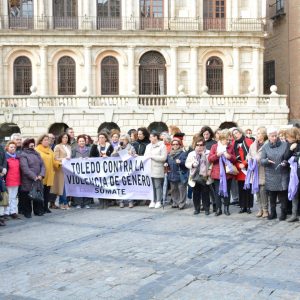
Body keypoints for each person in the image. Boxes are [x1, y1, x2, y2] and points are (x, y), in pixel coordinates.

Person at [261, 128, 289, 220]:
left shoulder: (285, 145)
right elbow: (262, 160)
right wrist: (266, 161)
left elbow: (288, 157)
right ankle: (273, 213)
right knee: (272, 196)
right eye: (272, 136)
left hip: (282, 173)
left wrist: (285, 162)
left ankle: (283, 213)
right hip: (271, 174)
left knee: (283, 196)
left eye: (276, 135)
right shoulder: (265, 147)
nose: (275, 137)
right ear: (268, 137)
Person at [208, 129, 236, 216]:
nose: (228, 141)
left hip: (228, 173)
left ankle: (226, 208)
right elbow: (210, 159)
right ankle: (218, 209)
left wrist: (229, 156)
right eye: (226, 139)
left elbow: (234, 159)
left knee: (226, 191)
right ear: (221, 138)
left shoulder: (230, 147)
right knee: (217, 192)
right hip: (217, 173)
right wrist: (217, 155)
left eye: (229, 139)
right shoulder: (214, 147)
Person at [19, 139, 45, 218]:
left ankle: (38, 211)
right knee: (27, 196)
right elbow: (25, 168)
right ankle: (27, 212)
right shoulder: (23, 154)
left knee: (37, 195)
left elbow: (43, 166)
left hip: (38, 179)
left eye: (33, 145)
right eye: (31, 145)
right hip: (28, 179)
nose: (32, 147)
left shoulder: (37, 154)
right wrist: (34, 177)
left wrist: (41, 175)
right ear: (26, 145)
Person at [246, 127, 269, 218]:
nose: (257, 135)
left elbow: (264, 157)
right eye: (257, 133)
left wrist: (256, 158)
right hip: (254, 171)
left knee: (263, 191)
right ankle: (260, 209)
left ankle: (265, 210)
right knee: (257, 191)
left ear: (263, 135)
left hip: (263, 170)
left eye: (259, 133)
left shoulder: (267, 145)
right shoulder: (253, 145)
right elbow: (249, 154)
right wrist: (248, 158)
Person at [35, 134, 59, 213]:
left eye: (48, 140)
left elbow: (54, 161)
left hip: (49, 175)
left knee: (46, 193)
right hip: (40, 175)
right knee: (40, 193)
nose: (47, 141)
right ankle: (40, 208)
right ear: (41, 141)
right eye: (45, 140)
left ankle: (45, 207)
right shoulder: (37, 150)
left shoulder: (50, 150)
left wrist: (61, 164)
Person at [186, 138, 210, 215]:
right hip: (194, 176)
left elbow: (211, 163)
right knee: (196, 194)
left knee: (205, 193)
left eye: (201, 145)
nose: (199, 147)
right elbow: (187, 163)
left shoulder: (208, 153)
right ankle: (197, 208)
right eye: (198, 145)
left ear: (204, 145)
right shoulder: (192, 153)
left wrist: (203, 156)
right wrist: (192, 165)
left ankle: (207, 209)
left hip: (204, 176)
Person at [232, 127, 254, 214]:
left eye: (237, 133)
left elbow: (252, 154)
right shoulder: (233, 144)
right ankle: (242, 206)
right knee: (241, 188)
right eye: (234, 134)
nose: (235, 135)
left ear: (241, 133)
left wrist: (244, 163)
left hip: (248, 168)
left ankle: (248, 206)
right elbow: (233, 157)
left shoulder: (249, 141)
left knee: (248, 188)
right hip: (239, 169)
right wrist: (238, 165)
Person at [112, 134, 135, 208]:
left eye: (124, 139)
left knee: (129, 185)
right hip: (120, 169)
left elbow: (134, 156)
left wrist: (130, 153)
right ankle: (121, 201)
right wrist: (117, 150)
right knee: (120, 185)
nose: (122, 141)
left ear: (127, 140)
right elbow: (112, 156)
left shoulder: (131, 147)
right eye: (121, 140)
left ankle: (130, 201)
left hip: (128, 169)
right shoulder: (117, 147)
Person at [145, 131, 167, 209]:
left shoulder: (162, 146)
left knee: (157, 185)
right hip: (149, 168)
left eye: (151, 136)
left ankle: (158, 201)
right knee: (151, 186)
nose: (150, 138)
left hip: (158, 168)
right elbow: (145, 156)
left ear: (155, 137)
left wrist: (152, 156)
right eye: (150, 137)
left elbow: (163, 158)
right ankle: (153, 200)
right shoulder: (148, 146)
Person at [165, 137, 188, 210]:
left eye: (177, 144)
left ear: (179, 145)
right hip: (172, 174)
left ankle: (182, 203)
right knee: (173, 190)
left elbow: (186, 163)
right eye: (173, 144)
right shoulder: (169, 154)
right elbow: (166, 161)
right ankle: (175, 202)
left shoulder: (183, 153)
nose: (175, 145)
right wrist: (166, 164)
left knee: (181, 189)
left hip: (180, 174)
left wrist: (181, 162)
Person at [52, 133, 71, 210]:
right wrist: (64, 158)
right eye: (63, 137)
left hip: (68, 168)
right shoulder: (57, 146)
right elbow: (55, 158)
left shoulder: (69, 146)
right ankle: (65, 203)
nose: (65, 139)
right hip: (60, 169)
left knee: (65, 186)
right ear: (60, 138)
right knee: (62, 187)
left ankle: (60, 203)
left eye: (66, 137)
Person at [71, 135, 92, 209]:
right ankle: (78, 203)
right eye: (80, 141)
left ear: (85, 142)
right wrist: (76, 159)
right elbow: (71, 159)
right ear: (78, 142)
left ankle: (86, 203)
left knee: (86, 187)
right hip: (77, 172)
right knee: (78, 187)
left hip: (87, 172)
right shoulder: (74, 149)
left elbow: (93, 158)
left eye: (83, 141)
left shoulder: (89, 149)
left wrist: (89, 159)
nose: (82, 142)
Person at [284, 127, 300, 222]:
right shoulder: (289, 145)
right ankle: (294, 215)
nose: (287, 138)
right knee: (294, 192)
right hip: (294, 173)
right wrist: (290, 149)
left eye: (288, 136)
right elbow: (285, 157)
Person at [3, 141, 21, 219]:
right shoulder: (5, 157)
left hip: (16, 180)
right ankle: (6, 212)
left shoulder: (17, 157)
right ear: (7, 148)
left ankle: (13, 211)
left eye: (14, 147)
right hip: (8, 180)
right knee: (8, 197)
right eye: (11, 147)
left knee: (14, 197)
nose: (13, 148)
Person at [0, 145, 8, 225]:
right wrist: (1, 169)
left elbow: (4, 159)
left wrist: (4, 169)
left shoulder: (1, 147)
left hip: (1, 174)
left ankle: (1, 216)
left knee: (2, 196)